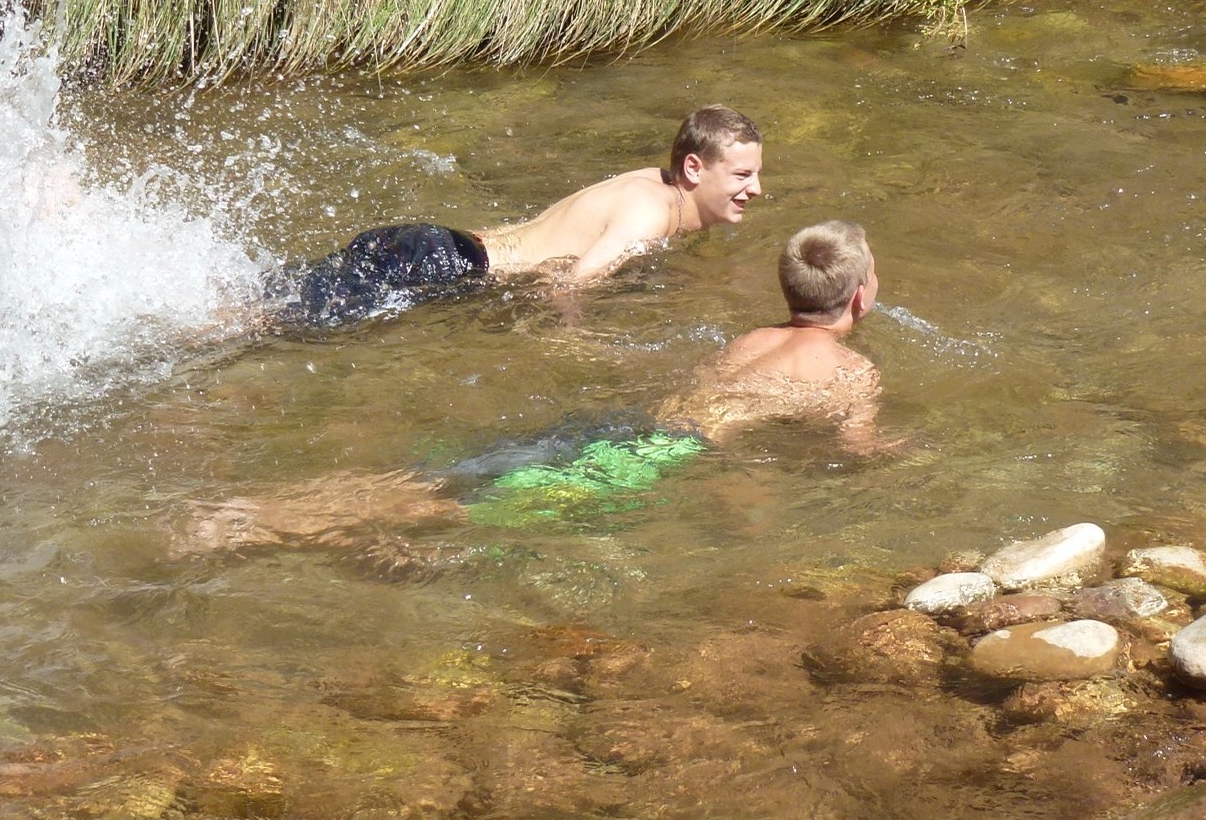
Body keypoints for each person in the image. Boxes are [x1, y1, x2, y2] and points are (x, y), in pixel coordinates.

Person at [175, 220, 890, 552]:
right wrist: (900, 455)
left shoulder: (750, 339)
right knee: (450, 506)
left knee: (446, 479)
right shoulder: (853, 372)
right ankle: (252, 523)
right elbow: (855, 451)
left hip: (620, 422)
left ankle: (257, 512)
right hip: (656, 451)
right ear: (860, 296)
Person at [273, 105, 764, 326]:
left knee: (273, 297)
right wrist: (578, 343)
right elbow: (568, 286)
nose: (756, 189)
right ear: (694, 168)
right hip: (448, 266)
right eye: (742, 175)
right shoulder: (652, 212)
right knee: (272, 324)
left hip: (434, 245)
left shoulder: (653, 182)